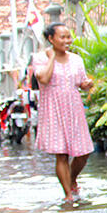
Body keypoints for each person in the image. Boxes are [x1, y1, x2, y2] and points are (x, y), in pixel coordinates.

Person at [32, 23, 95, 202]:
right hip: (53, 109)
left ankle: (72, 178)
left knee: (84, 151)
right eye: (62, 37)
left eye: (69, 37)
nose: (67, 41)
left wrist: (86, 85)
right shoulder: (40, 58)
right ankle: (68, 194)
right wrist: (51, 58)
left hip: (74, 108)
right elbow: (43, 78)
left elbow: (81, 82)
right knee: (61, 153)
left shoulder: (76, 59)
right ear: (51, 39)